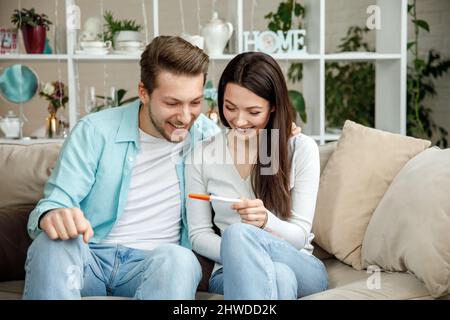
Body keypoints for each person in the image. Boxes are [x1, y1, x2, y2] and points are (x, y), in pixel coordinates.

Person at [23, 36, 221, 300]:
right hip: (88, 258)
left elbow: (253, 162)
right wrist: (54, 214)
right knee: (51, 245)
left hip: (156, 265)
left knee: (181, 259)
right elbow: (55, 202)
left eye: (195, 102)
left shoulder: (208, 137)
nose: (185, 117)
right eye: (172, 103)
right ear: (143, 92)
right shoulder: (94, 131)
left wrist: (288, 138)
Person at [186, 52, 328, 300]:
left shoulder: (300, 149)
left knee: (240, 234)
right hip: (231, 270)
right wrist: (240, 251)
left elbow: (299, 236)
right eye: (230, 108)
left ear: (273, 106)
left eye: (253, 112)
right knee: (278, 275)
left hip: (300, 265)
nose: (239, 121)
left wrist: (265, 222)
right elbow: (199, 236)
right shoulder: (202, 154)